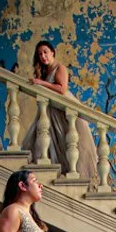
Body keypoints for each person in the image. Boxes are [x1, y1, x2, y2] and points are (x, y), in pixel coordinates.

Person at [21, 41, 98, 183]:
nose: (43, 56)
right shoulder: (45, 71)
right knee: (47, 139)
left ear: (52, 52)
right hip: (52, 109)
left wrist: (41, 82)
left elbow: (62, 89)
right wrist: (39, 75)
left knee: (71, 141)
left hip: (63, 108)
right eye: (40, 54)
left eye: (45, 52)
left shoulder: (59, 67)